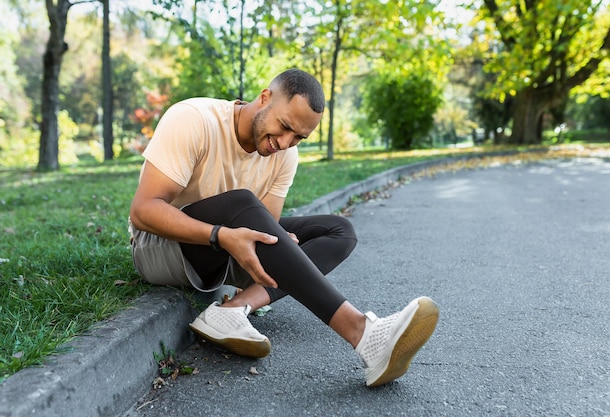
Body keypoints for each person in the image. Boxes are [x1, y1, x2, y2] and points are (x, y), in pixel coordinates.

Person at [128, 68, 439, 387]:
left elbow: (266, 225)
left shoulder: (284, 155)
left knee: (338, 231)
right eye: (285, 127)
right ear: (264, 98)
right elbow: (144, 211)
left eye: (299, 137)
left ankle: (233, 309)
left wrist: (279, 241)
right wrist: (220, 235)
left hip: (228, 248)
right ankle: (361, 333)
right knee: (243, 203)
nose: (286, 143)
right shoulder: (193, 119)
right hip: (161, 246)